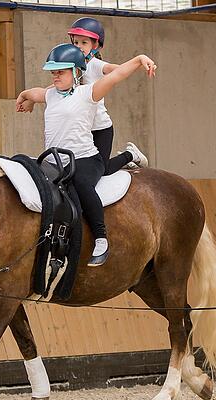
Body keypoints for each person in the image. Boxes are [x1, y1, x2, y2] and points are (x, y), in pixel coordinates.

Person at [15, 44, 157, 266]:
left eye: (60, 72)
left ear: (76, 72)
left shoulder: (88, 93)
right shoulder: (52, 94)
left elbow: (117, 75)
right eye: (53, 72)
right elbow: (35, 92)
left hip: (85, 159)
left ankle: (101, 238)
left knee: (82, 184)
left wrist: (139, 58)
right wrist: (26, 98)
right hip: (55, 160)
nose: (55, 77)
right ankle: (130, 155)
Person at [21, 17, 149, 172]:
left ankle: (131, 155)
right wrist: (32, 99)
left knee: (102, 170)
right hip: (83, 127)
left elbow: (116, 70)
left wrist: (138, 64)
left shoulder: (94, 64)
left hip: (100, 127)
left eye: (84, 43)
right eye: (76, 42)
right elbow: (56, 86)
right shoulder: (73, 64)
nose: (79, 46)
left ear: (95, 45)